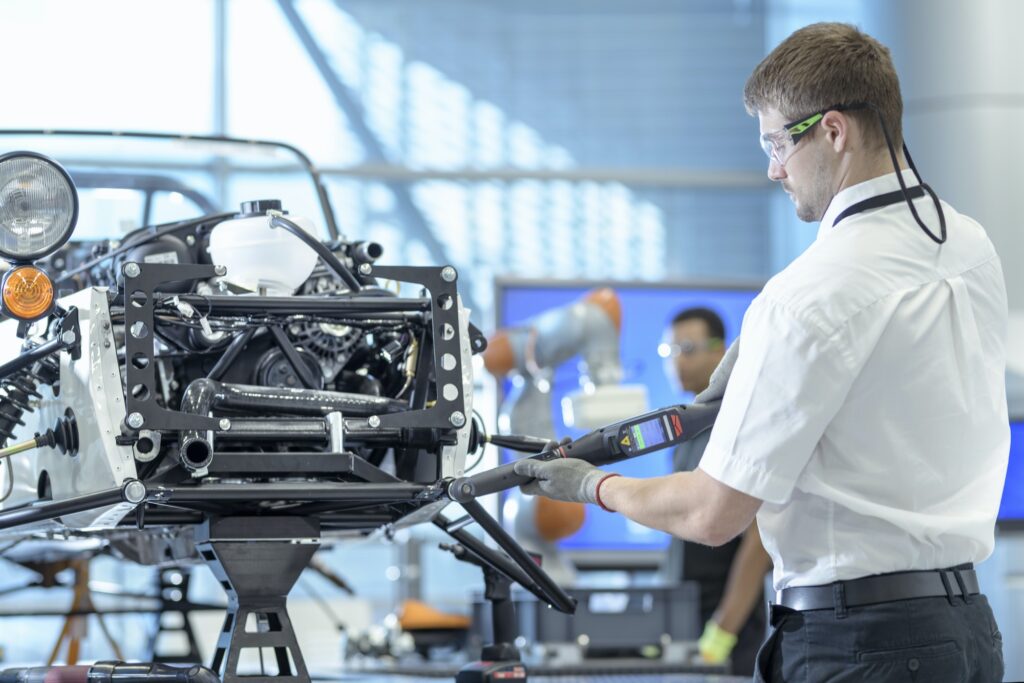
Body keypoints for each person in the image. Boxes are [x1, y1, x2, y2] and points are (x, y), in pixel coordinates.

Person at [514, 22, 1007, 682]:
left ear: (833, 131)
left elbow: (712, 514)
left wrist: (595, 485)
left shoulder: (807, 293)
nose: (773, 167)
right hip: (967, 631)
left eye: (778, 142)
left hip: (858, 642)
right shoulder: (971, 247)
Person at [660, 307, 772, 674]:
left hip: (729, 633)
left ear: (720, 350)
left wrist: (723, 631)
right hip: (685, 623)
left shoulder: (735, 426)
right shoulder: (687, 433)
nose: (679, 361)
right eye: (671, 350)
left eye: (688, 348)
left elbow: (758, 540)